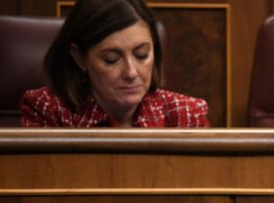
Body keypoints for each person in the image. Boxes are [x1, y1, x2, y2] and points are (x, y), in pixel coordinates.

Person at [21, 0, 209, 127]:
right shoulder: (49, 111)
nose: (131, 72)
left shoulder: (185, 115)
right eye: (111, 59)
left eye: (141, 54)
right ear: (79, 57)